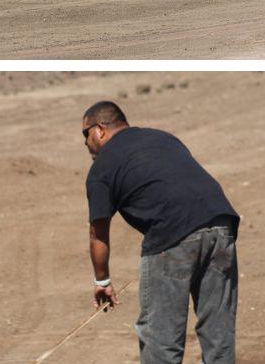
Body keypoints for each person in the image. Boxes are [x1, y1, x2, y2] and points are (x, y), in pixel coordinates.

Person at [82, 100, 240, 364]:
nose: (85, 144)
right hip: (221, 225)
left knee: (161, 342)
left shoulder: (101, 168)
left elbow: (98, 233)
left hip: (171, 236)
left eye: (85, 135)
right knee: (219, 335)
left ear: (100, 129)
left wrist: (102, 282)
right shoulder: (163, 138)